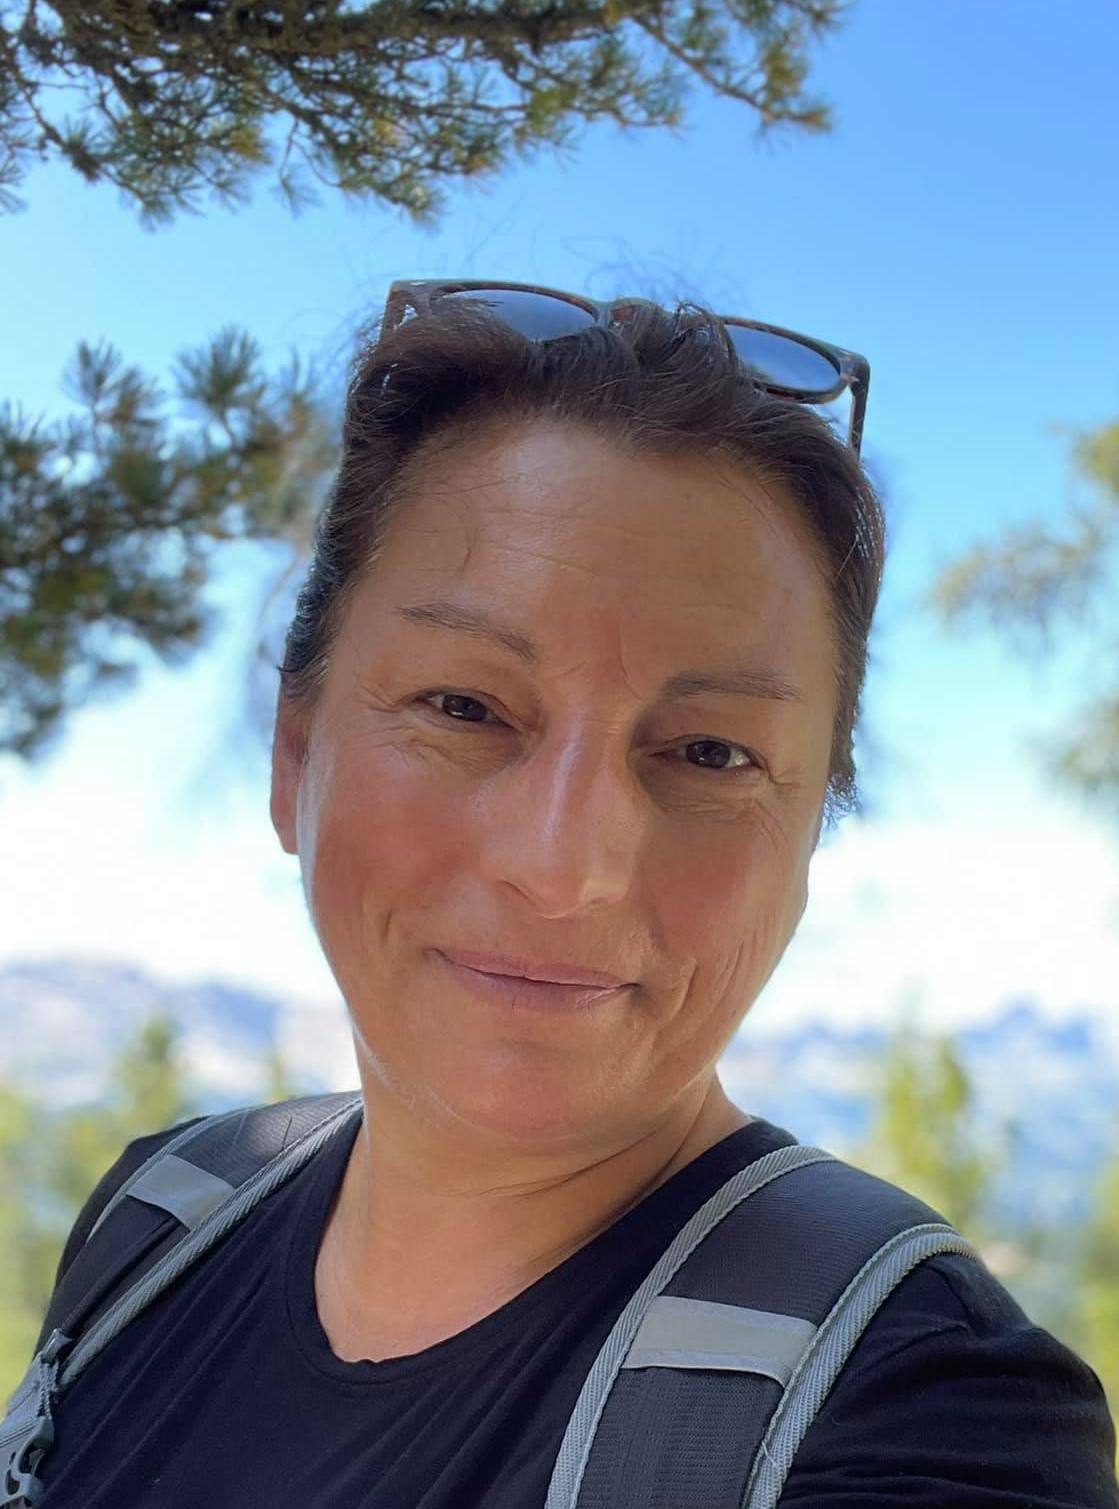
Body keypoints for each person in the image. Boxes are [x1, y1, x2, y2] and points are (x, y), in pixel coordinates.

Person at [31, 282, 1118, 1506]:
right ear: (296, 759)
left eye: (711, 753)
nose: (566, 865)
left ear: (811, 831)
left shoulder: (924, 1409)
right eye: (465, 707)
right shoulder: (157, 1227)